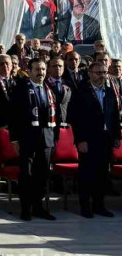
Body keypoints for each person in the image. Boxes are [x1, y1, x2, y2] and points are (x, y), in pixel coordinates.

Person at [69, 62, 120, 218]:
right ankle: (85, 206)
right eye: (98, 72)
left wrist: (117, 135)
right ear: (90, 73)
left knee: (102, 174)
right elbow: (75, 119)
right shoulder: (81, 92)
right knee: (87, 174)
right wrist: (80, 140)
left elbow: (115, 116)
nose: (101, 75)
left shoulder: (110, 92)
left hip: (105, 139)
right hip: (88, 140)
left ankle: (99, 205)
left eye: (104, 72)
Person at [8, 58, 57, 221]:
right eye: (37, 69)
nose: (41, 72)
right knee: (27, 174)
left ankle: (38, 206)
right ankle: (26, 208)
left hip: (46, 139)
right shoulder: (21, 89)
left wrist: (54, 139)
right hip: (26, 138)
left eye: (43, 69)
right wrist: (14, 140)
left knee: (42, 175)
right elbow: (13, 116)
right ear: (29, 71)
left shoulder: (49, 89)